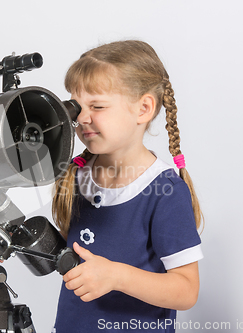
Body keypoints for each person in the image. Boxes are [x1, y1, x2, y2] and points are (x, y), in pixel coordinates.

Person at [51, 40, 204, 333]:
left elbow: (186, 290)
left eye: (97, 106)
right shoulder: (75, 175)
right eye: (76, 107)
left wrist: (116, 276)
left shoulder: (165, 191)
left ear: (144, 108)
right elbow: (70, 253)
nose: (82, 118)